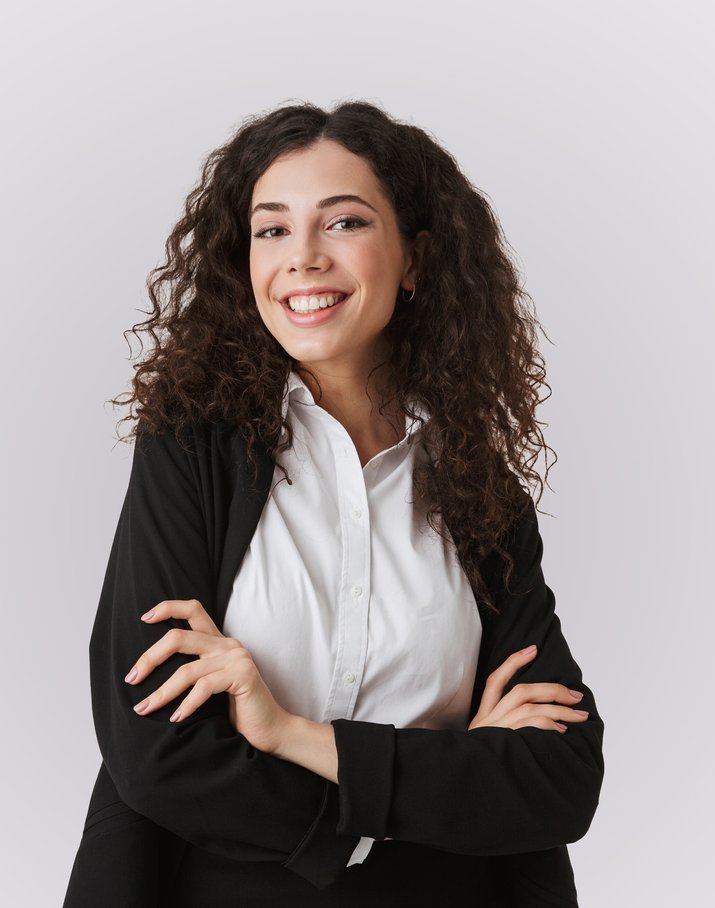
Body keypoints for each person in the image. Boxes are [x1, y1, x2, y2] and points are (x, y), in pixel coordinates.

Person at [60, 100, 603, 907]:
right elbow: (157, 755)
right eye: (272, 229)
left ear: (416, 259)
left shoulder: (478, 488)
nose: (303, 258)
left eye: (344, 223)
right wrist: (435, 785)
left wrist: (292, 736)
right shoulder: (192, 450)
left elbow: (559, 780)